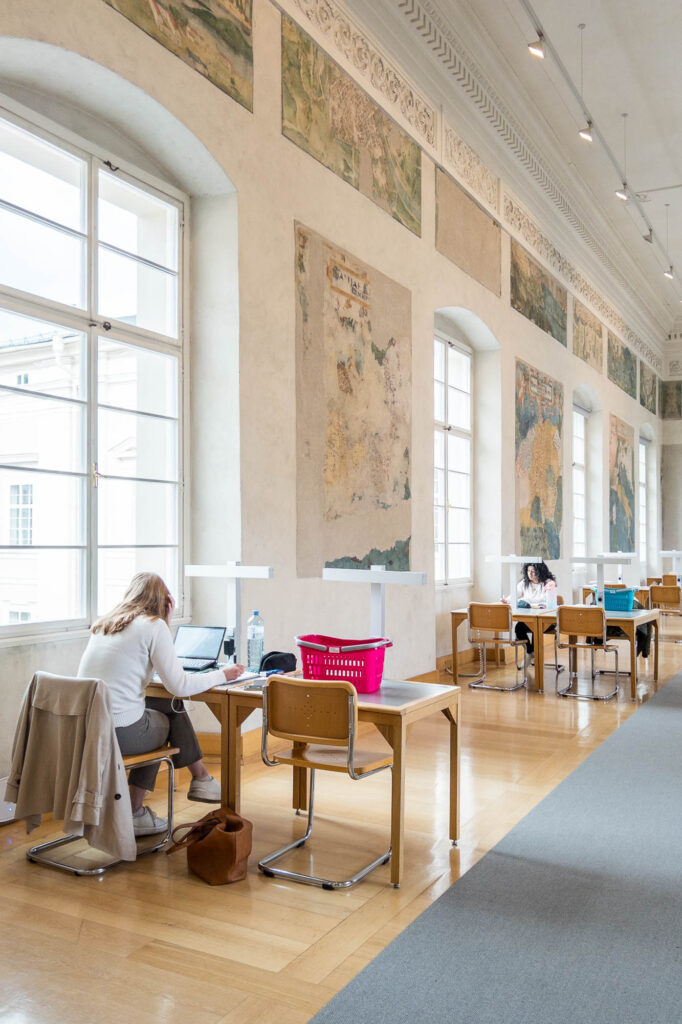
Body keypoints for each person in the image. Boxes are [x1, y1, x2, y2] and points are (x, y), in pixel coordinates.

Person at [78, 572, 245, 836]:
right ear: (164, 600)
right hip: (118, 733)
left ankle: (200, 779)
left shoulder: (104, 625)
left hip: (86, 729)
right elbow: (179, 686)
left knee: (164, 703)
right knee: (165, 718)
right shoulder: (153, 625)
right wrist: (223, 674)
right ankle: (140, 808)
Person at [506, 562, 557, 664]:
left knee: (536, 628)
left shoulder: (549, 583)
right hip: (530, 619)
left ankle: (532, 655)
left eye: (533, 571)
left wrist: (535, 605)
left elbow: (551, 602)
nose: (530, 573)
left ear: (539, 571)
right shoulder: (524, 583)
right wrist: (506, 600)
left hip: (547, 620)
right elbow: (513, 596)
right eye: (528, 571)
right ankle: (530, 652)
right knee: (519, 628)